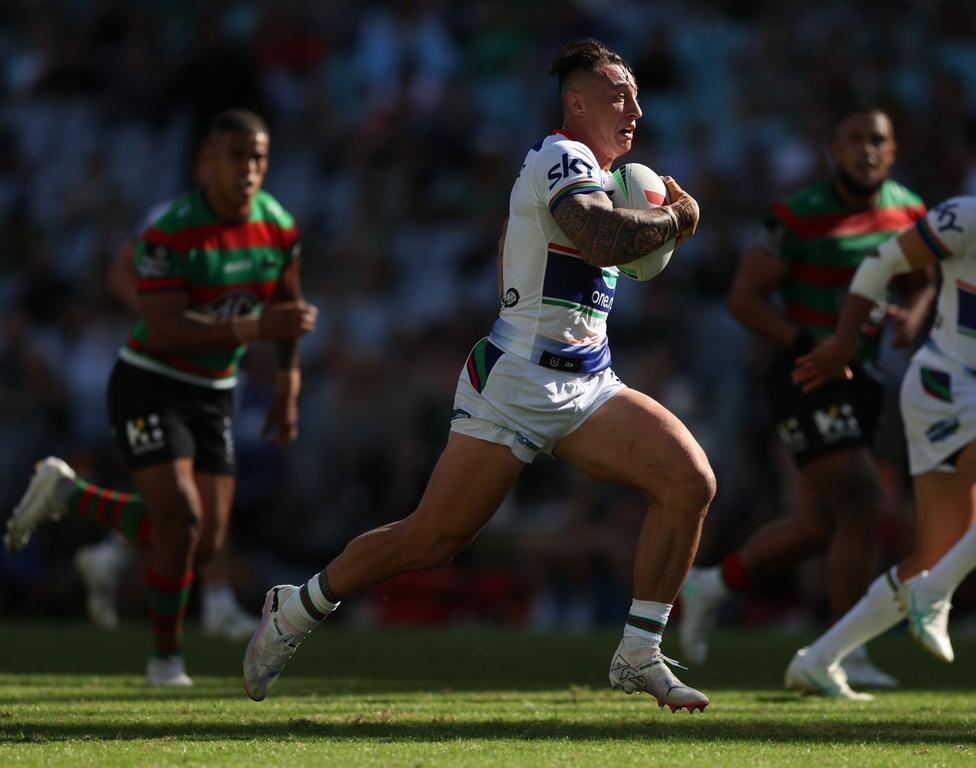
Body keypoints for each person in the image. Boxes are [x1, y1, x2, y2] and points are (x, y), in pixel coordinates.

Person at [241, 38, 714, 712]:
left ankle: (639, 652)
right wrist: (676, 218)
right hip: (517, 380)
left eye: (636, 93)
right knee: (431, 539)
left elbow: (617, 243)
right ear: (576, 103)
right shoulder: (561, 155)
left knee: (689, 480)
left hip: (588, 382)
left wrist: (663, 223)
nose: (634, 106)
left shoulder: (612, 176)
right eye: (617, 93)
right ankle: (297, 608)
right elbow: (602, 239)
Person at [4, 109, 318, 686]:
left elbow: (288, 314)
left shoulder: (279, 227)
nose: (248, 169)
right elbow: (167, 328)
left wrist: (288, 386)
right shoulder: (172, 228)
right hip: (152, 379)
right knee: (180, 517)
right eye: (235, 157)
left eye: (258, 158)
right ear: (206, 162)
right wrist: (251, 330)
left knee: (201, 539)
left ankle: (69, 493)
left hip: (217, 390)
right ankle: (165, 661)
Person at [679, 106, 933, 687]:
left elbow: (923, 280)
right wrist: (811, 343)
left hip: (863, 378)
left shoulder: (908, 209)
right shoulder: (797, 215)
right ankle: (844, 652)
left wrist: (910, 315)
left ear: (893, 151)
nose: (867, 150)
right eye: (854, 138)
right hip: (805, 376)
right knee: (865, 502)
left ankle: (710, 585)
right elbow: (745, 299)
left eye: (879, 140)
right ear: (831, 147)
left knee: (820, 526)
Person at [784, 119, 976, 699]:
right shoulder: (972, 215)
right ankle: (936, 591)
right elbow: (880, 264)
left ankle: (820, 659)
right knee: (940, 570)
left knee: (933, 556)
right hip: (948, 386)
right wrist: (843, 339)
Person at [73, 178, 261, 641]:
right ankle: (213, 601)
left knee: (199, 487)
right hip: (166, 369)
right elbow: (121, 274)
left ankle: (115, 553)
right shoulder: (170, 218)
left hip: (205, 370)